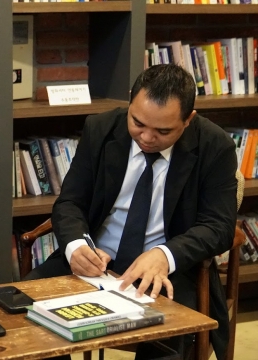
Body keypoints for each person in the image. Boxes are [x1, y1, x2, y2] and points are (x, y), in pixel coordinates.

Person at [25, 64, 237, 359]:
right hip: (95, 262)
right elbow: (70, 202)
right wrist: (76, 247)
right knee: (24, 310)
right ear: (130, 102)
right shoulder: (100, 128)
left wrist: (165, 254)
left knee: (169, 337)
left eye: (163, 131)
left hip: (166, 273)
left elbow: (219, 227)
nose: (147, 138)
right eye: (138, 123)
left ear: (188, 120)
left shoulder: (215, 146)